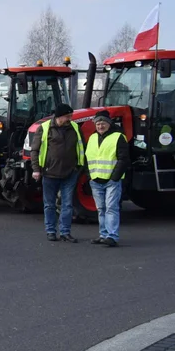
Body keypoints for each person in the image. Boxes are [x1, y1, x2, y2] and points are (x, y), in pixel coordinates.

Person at [30, 103, 84, 243]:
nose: (70, 119)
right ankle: (51, 231)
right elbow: (35, 150)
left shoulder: (75, 128)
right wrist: (36, 169)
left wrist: (78, 167)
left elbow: (82, 147)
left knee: (67, 204)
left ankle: (65, 232)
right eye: (68, 116)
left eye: (70, 116)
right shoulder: (44, 128)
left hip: (70, 173)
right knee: (49, 204)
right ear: (60, 116)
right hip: (49, 173)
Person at [84, 110, 129, 247]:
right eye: (98, 123)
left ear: (109, 123)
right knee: (101, 209)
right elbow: (87, 157)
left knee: (111, 208)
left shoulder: (118, 137)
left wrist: (114, 177)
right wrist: (89, 176)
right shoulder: (92, 138)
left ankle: (112, 236)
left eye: (103, 122)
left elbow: (123, 159)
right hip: (96, 180)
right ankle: (103, 235)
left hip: (111, 181)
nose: (100, 126)